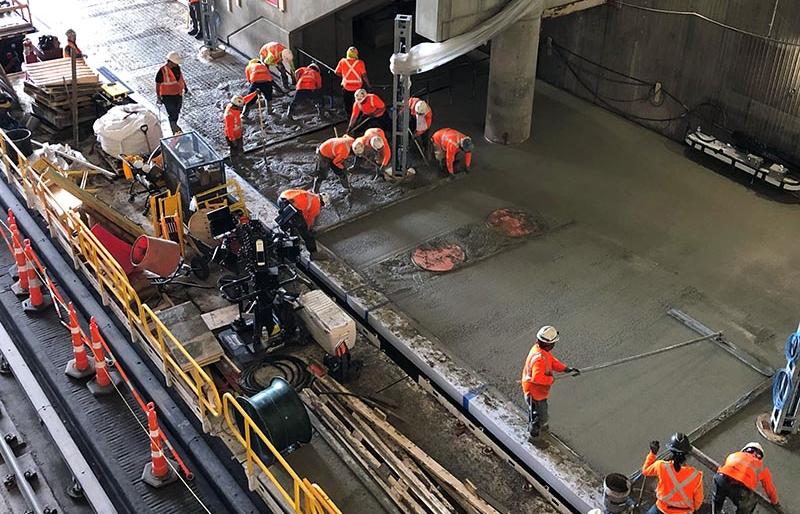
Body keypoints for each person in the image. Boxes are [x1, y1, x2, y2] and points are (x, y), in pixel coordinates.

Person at [520, 326, 579, 439]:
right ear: (550, 344)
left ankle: (542, 427)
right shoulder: (539, 359)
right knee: (538, 416)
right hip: (534, 393)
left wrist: (566, 369)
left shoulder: (541, 351)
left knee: (541, 413)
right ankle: (534, 436)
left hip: (539, 392)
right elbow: (537, 378)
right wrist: (550, 380)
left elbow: (552, 361)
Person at [642, 434, 704, 514]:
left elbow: (645, 471)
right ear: (686, 453)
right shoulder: (696, 476)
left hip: (661, 509)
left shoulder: (661, 466)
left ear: (671, 451)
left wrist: (653, 453)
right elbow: (698, 501)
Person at [712, 442, 779, 513]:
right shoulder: (762, 467)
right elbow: (769, 489)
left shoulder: (734, 455)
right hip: (741, 489)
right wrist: (775, 502)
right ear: (759, 456)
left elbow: (724, 469)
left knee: (717, 499)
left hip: (721, 478)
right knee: (749, 504)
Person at [277, 189, 330, 256]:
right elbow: (309, 220)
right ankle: (314, 253)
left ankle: (290, 234)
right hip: (292, 205)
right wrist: (309, 229)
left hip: (282, 199)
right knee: (305, 232)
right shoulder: (316, 205)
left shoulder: (310, 194)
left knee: (294, 220)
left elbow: (303, 212)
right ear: (322, 203)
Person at [156, 52, 188, 134]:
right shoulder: (162, 71)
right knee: (172, 113)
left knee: (177, 111)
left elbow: (180, 78)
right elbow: (158, 85)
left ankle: (175, 126)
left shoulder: (177, 67)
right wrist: (159, 97)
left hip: (178, 94)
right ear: (170, 61)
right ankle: (175, 130)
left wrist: (185, 86)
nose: (176, 64)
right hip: (167, 97)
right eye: (175, 63)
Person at [334, 47, 370, 117]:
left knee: (348, 104)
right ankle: (359, 117)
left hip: (346, 87)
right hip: (358, 88)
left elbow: (336, 72)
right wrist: (368, 85)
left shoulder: (342, 61)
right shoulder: (360, 63)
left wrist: (344, 76)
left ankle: (349, 117)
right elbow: (364, 75)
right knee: (359, 103)